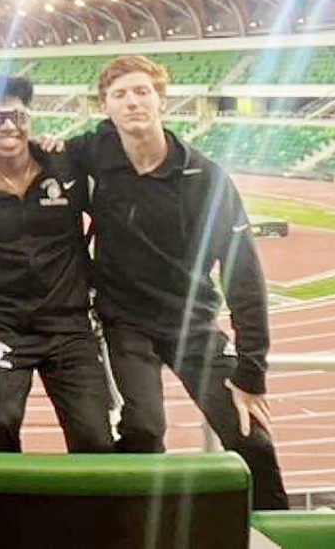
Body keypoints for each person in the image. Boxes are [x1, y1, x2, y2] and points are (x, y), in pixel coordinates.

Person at [42, 55, 288, 509]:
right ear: (106, 108)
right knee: (144, 430)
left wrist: (252, 371)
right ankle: (131, 529)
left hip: (192, 324)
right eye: (120, 95)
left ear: (161, 100)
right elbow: (35, 156)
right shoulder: (93, 153)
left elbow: (245, 278)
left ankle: (280, 533)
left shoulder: (204, 177)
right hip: (126, 324)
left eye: (141, 91)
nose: (132, 102)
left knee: (251, 437)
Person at [0, 75, 113, 454]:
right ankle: (9, 513)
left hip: (68, 324)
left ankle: (92, 513)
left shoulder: (67, 166)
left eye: (17, 115)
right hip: (0, 323)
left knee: (96, 438)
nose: (9, 125)